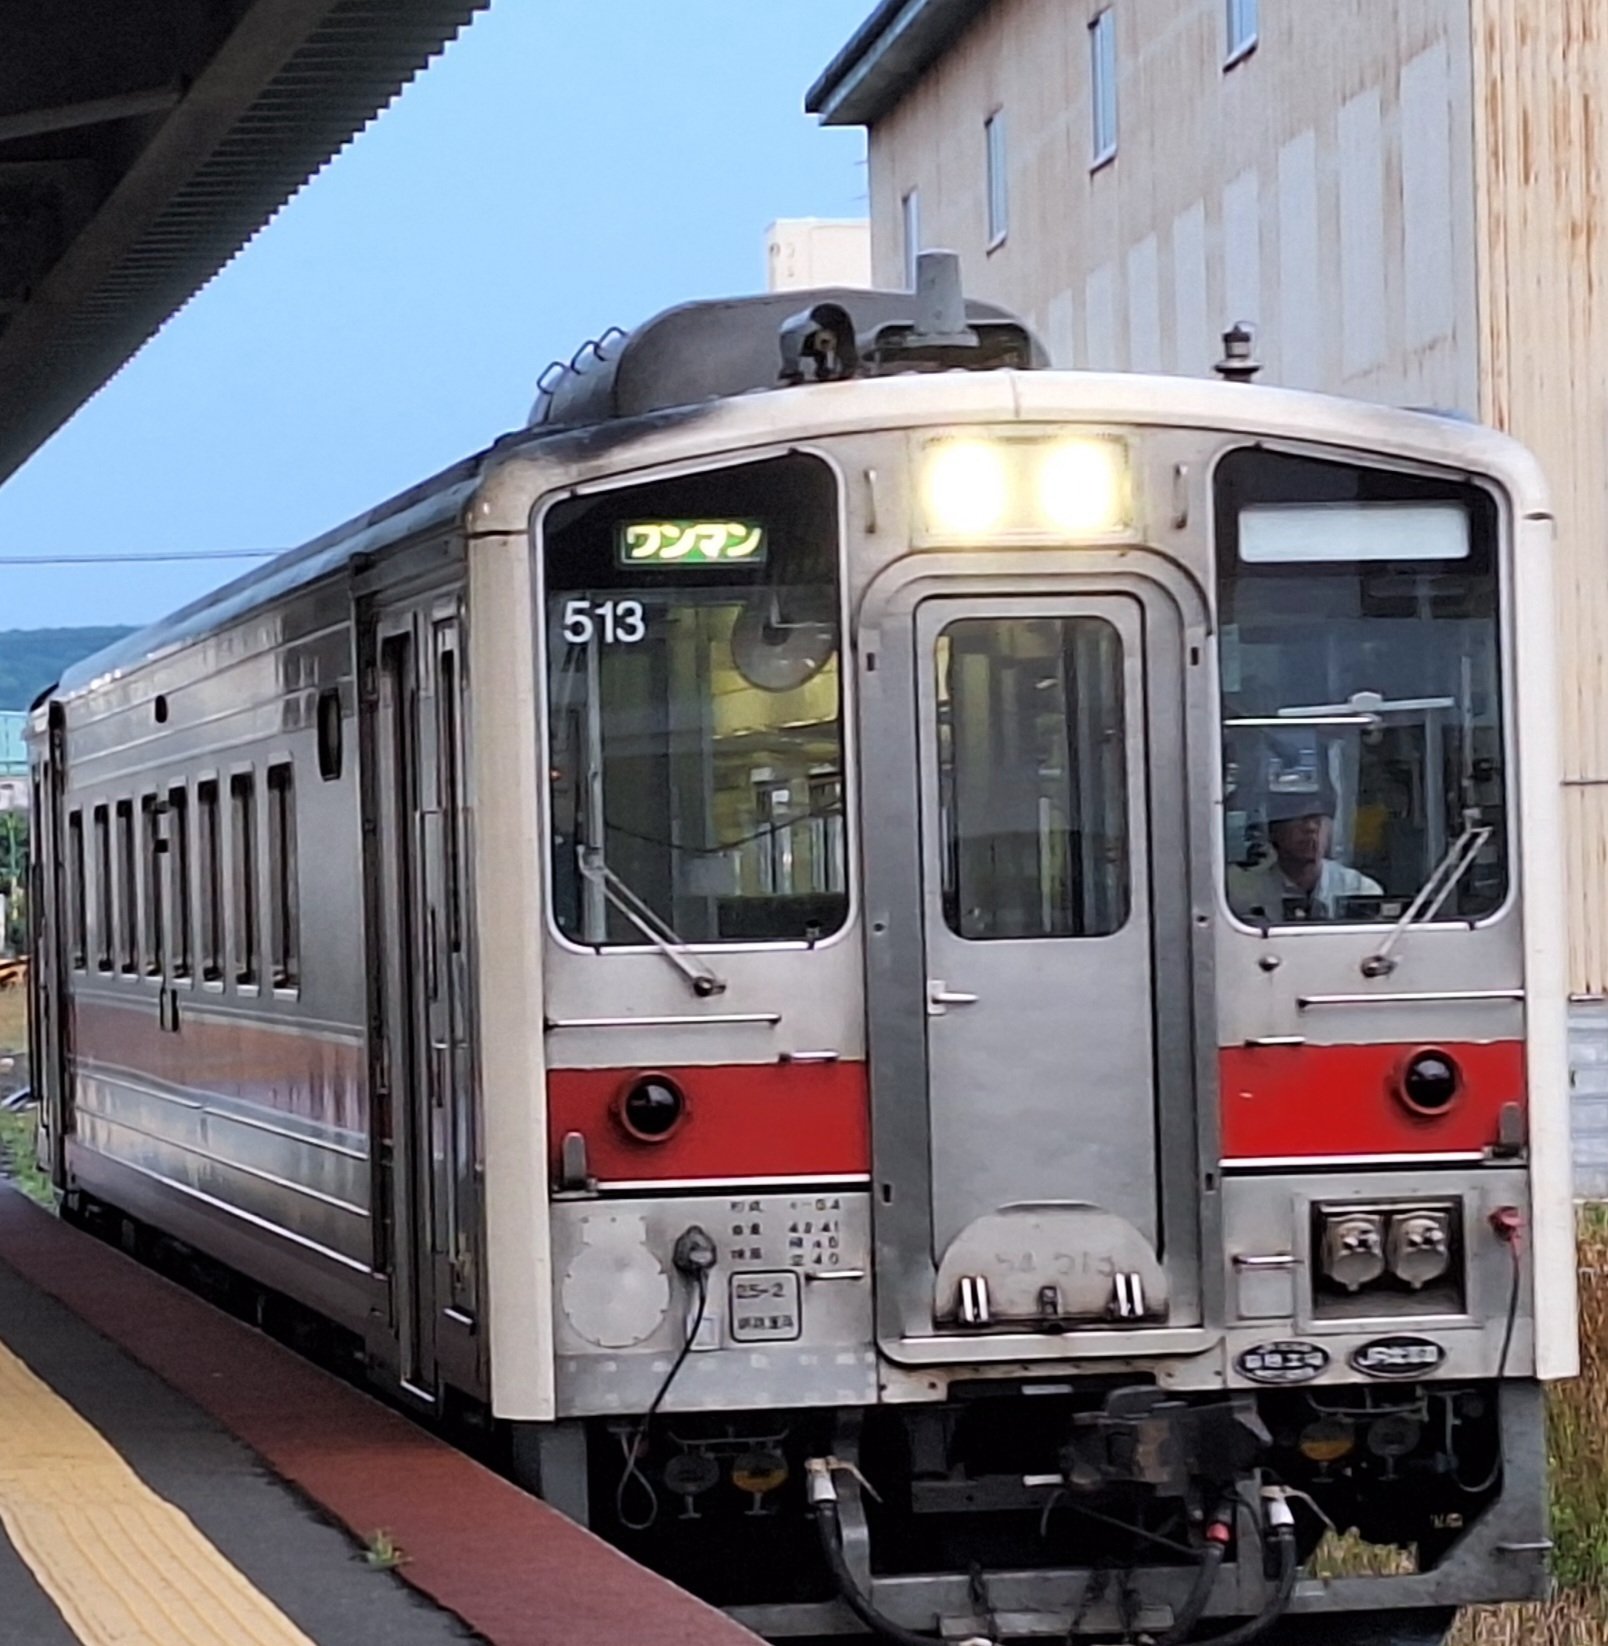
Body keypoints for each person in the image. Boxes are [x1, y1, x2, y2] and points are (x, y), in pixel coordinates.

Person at [1228, 785, 1382, 922]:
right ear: (1273, 830)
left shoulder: (1360, 890)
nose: (1310, 828)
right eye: (1299, 818)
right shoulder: (1244, 895)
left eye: (1318, 820)